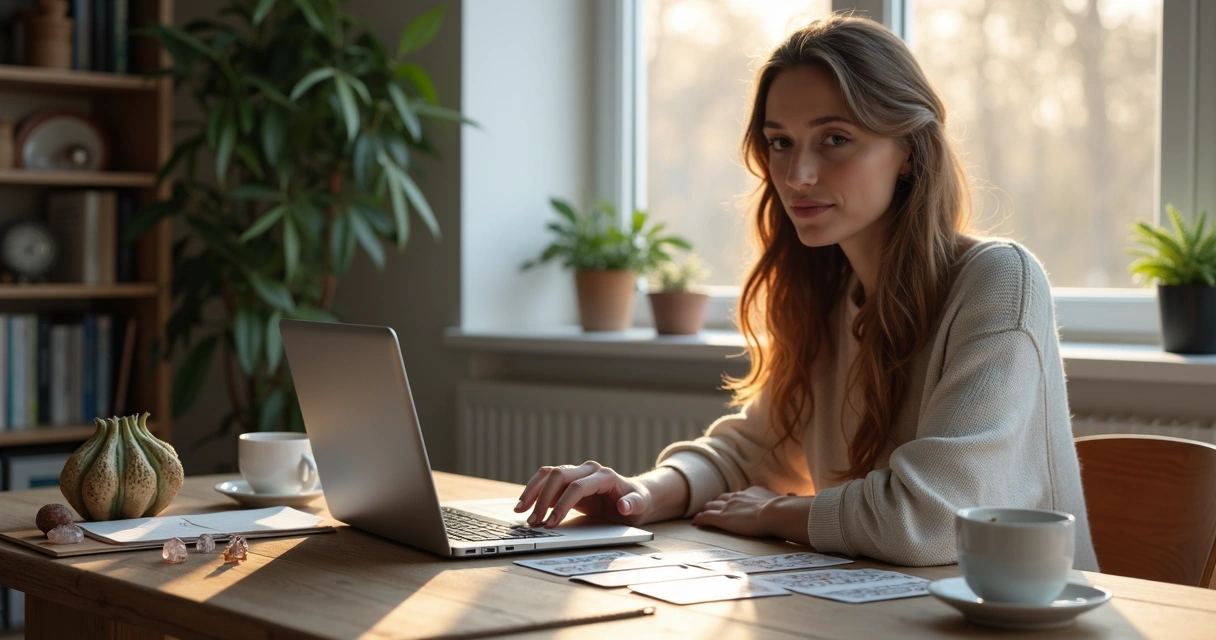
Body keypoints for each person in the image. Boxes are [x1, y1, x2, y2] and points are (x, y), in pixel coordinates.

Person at [514, 14, 1098, 569]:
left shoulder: (1000, 280)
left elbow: (933, 517)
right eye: (781, 142)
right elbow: (751, 451)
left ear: (909, 152)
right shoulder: (825, 290)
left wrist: (777, 513)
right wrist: (635, 495)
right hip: (891, 607)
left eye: (835, 139)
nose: (797, 176)